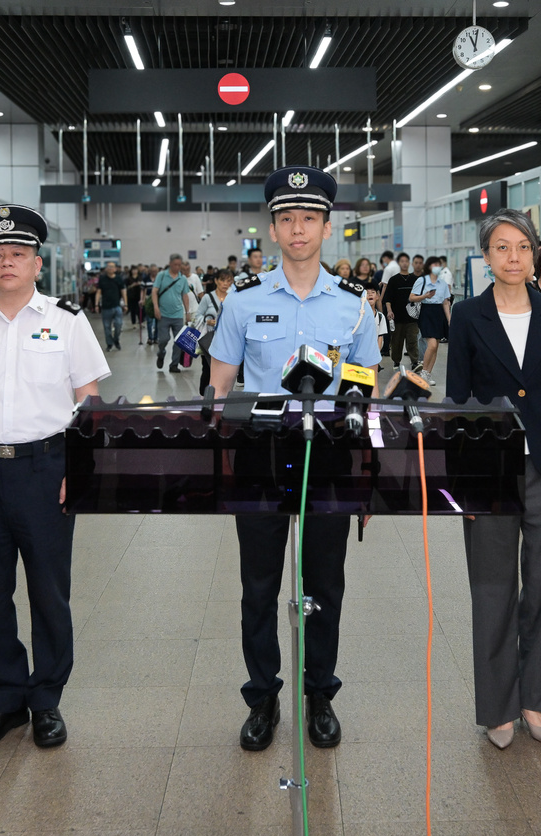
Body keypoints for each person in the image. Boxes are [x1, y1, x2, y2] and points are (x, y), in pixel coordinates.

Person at [208, 165, 381, 752]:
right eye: (287, 218)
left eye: (309, 218)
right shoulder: (243, 300)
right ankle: (262, 696)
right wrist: (220, 451)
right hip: (260, 455)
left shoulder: (354, 306)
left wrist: (366, 465)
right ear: (274, 229)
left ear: (327, 228)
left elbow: (363, 391)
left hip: (329, 455)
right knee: (258, 586)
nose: (298, 228)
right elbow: (220, 386)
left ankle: (320, 694)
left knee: (324, 583)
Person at [0, 204, 110, 750]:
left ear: (37, 263)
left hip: (46, 468)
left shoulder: (67, 320)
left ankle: (47, 700)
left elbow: (89, 401)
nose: (6, 262)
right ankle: (4, 700)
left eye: (17, 254)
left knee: (49, 592)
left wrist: (79, 467)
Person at [443, 208, 541, 750]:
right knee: (492, 587)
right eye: (502, 248)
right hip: (488, 468)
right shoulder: (468, 315)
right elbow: (457, 400)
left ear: (536, 255)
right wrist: (458, 477)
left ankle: (536, 698)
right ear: (486, 257)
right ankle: (499, 708)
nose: (514, 257)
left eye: (523, 247)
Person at [410, 255, 450, 385]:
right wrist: (425, 296)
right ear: (429, 266)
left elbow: (445, 302)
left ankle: (428, 373)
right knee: (431, 344)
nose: (437, 267)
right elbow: (411, 297)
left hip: (439, 313)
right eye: (434, 264)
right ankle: (423, 372)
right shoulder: (422, 280)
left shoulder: (443, 283)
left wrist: (449, 319)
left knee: (436, 346)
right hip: (426, 312)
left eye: (439, 265)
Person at [152, 254, 193, 373]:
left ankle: (174, 364)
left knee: (179, 341)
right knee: (163, 339)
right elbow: (154, 291)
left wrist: (187, 312)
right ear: (170, 264)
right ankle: (161, 353)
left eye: (179, 265)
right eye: (175, 265)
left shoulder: (182, 278)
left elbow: (185, 295)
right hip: (163, 314)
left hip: (178, 315)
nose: (177, 267)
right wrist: (156, 307)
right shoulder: (161, 275)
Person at [195, 267, 232, 395]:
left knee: (225, 370)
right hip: (209, 340)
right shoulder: (208, 297)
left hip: (227, 340)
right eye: (222, 280)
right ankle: (204, 394)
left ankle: (220, 394)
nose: (225, 284)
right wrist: (207, 321)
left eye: (229, 281)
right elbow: (198, 315)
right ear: (216, 281)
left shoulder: (233, 298)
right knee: (207, 368)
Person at [381, 253, 421, 371]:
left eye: (406, 261)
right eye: (402, 261)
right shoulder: (394, 280)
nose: (404, 263)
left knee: (412, 341)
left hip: (412, 317)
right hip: (397, 317)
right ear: (399, 263)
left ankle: (414, 362)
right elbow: (388, 298)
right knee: (396, 341)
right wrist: (389, 311)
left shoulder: (415, 280)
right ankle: (396, 361)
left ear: (409, 263)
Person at [95, 261, 125, 351]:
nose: (110, 268)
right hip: (106, 307)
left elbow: (123, 291)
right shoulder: (102, 279)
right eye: (109, 267)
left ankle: (116, 339)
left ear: (115, 269)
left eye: (112, 267)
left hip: (117, 306)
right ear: (106, 269)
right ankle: (109, 344)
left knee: (118, 325)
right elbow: (98, 292)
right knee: (107, 328)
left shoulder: (119, 279)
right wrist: (96, 304)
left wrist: (126, 304)